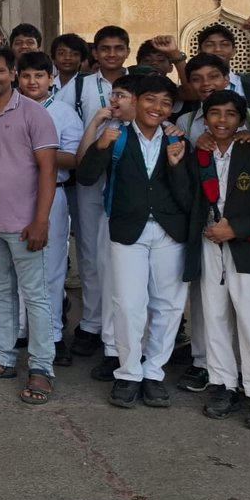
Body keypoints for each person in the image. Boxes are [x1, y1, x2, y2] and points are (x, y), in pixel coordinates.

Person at [77, 75, 203, 410]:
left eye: (165, 103)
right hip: (128, 231)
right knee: (128, 304)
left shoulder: (177, 140)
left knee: (168, 304)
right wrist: (101, 146)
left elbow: (188, 197)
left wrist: (177, 165)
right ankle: (129, 373)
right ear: (136, 101)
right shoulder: (116, 137)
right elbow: (87, 177)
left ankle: (154, 372)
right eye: (150, 100)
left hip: (168, 232)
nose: (157, 108)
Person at [0, 46, 59, 403]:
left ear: (12, 73)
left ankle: (42, 368)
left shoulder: (34, 114)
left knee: (35, 296)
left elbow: (48, 170)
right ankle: (2, 358)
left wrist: (41, 220)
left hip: (24, 225)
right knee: (1, 294)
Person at [192, 91, 250, 431]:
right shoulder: (198, 152)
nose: (222, 121)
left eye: (230, 114)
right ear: (205, 119)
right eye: (214, 114)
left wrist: (236, 228)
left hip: (245, 245)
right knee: (214, 317)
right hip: (208, 243)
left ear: (242, 119)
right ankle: (223, 383)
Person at [56, 26, 131, 360]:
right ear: (95, 53)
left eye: (118, 48)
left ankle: (123, 329)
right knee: (89, 251)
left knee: (126, 253)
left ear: (127, 51)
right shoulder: (82, 85)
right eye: (105, 49)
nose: (111, 54)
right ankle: (92, 323)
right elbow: (57, 119)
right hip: (91, 175)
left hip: (131, 175)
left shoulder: (138, 83)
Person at [14, 51, 83, 364]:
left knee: (50, 270)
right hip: (13, 196)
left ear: (51, 79)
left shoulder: (64, 112)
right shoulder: (8, 108)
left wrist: (37, 151)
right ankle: (19, 331)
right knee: (15, 266)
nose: (32, 82)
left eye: (39, 76)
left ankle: (53, 336)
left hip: (52, 194)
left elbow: (74, 158)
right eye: (27, 76)